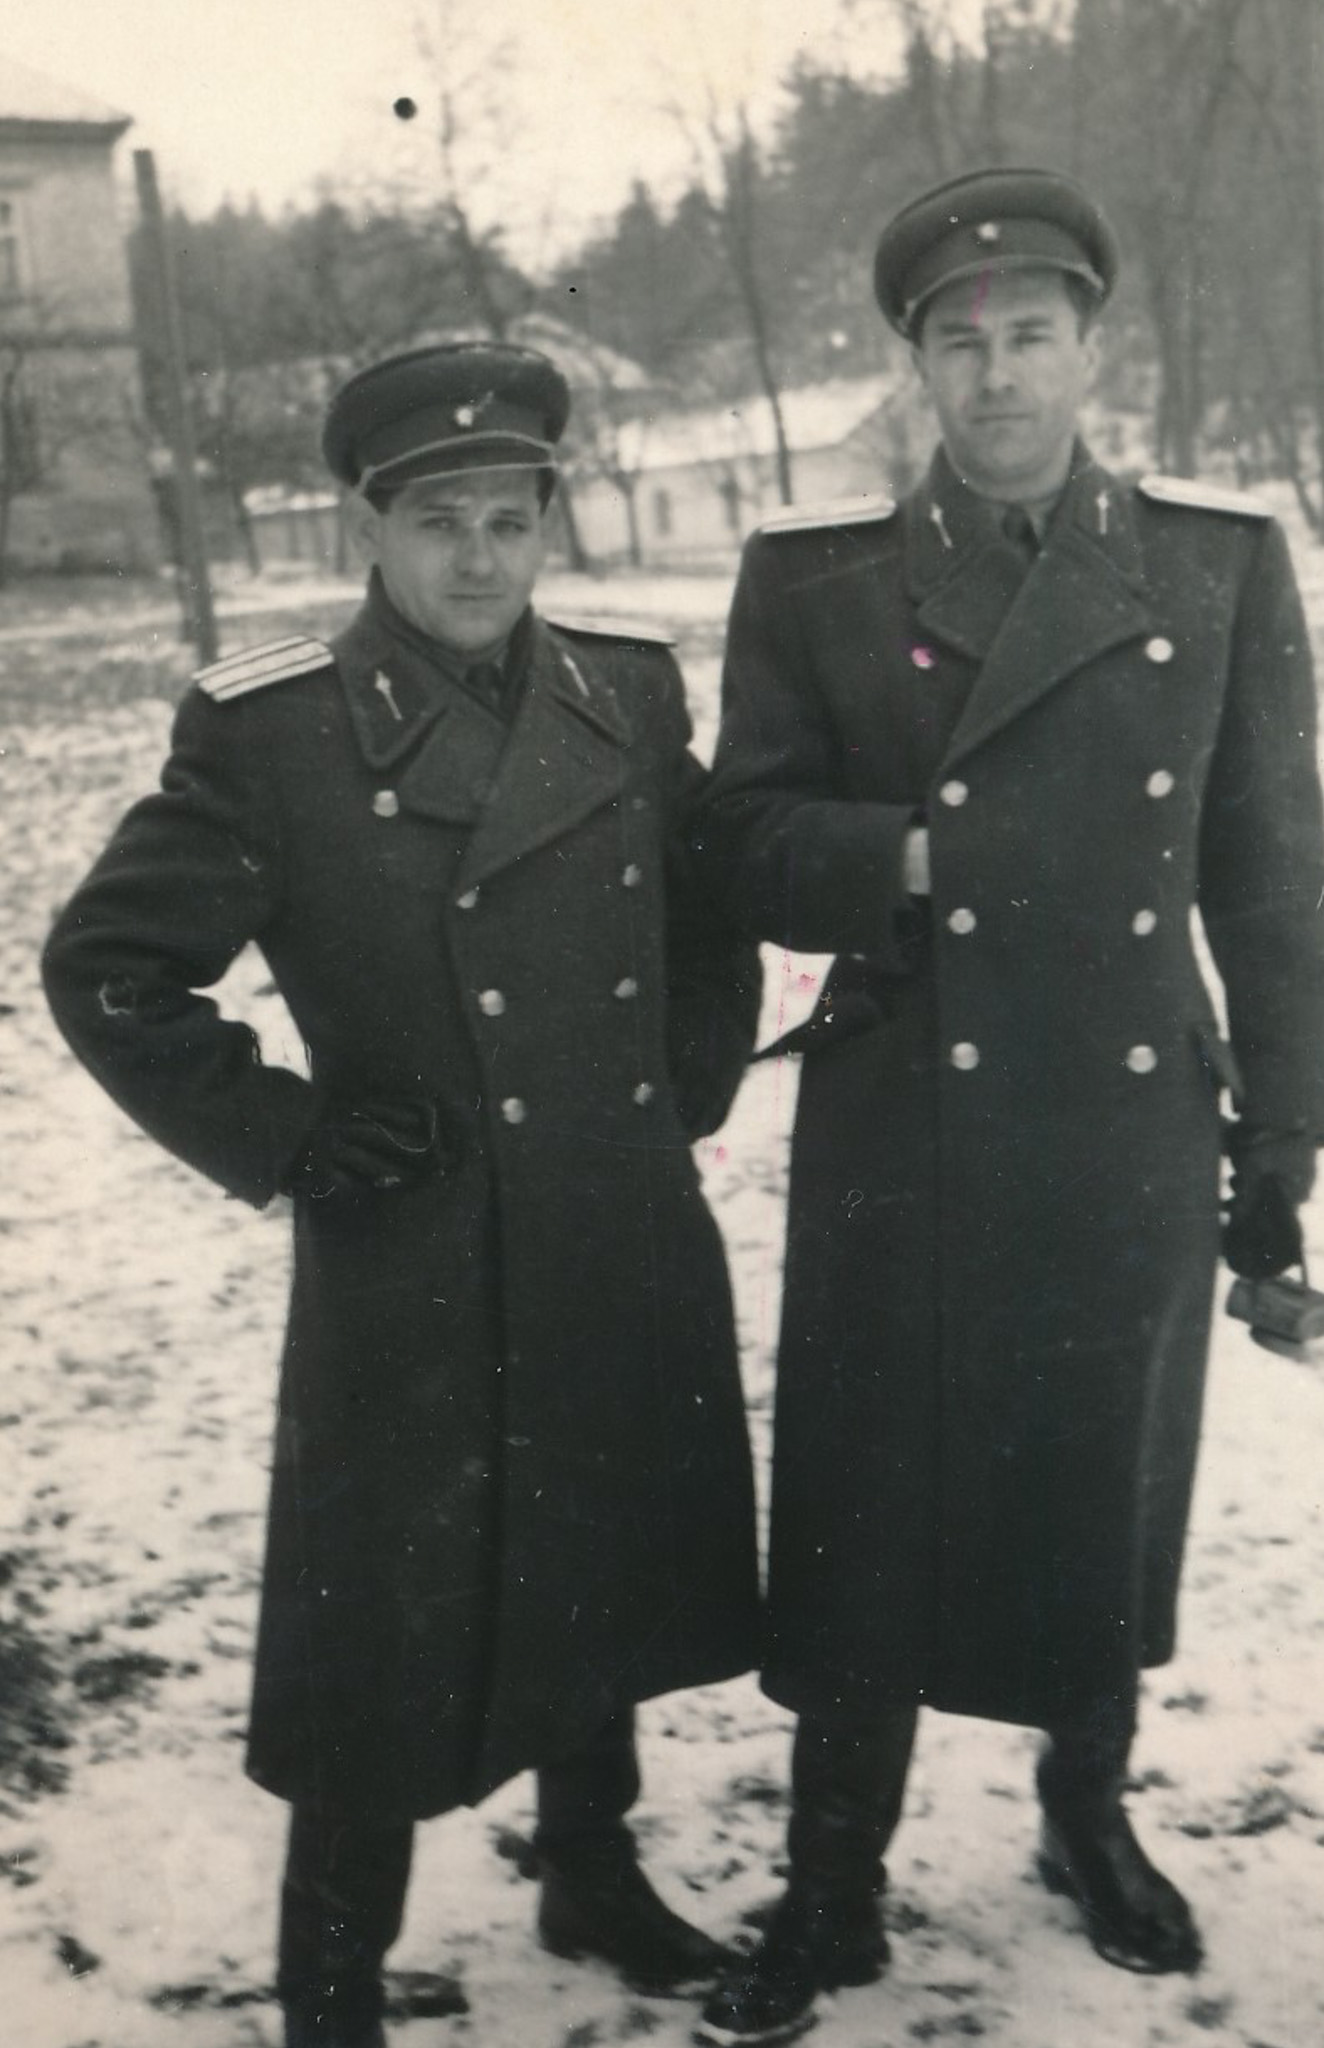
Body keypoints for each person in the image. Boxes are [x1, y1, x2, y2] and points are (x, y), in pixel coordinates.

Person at [41, 340, 762, 2048]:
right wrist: (288, 1135)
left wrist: (677, 1093)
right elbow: (108, 968)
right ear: (369, 528)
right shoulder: (278, 731)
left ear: (546, 524)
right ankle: (331, 1976)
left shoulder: (624, 693)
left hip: (613, 1217)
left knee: (601, 1556)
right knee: (378, 1624)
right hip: (416, 1254)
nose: (477, 559)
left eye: (509, 519)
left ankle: (589, 1870)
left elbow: (707, 908)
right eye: (439, 521)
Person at [693, 166, 1324, 2047]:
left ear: (1090, 349)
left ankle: (1087, 1813)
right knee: (870, 1495)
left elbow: (1272, 882)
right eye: (959, 343)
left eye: (1031, 335)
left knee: (1102, 1479)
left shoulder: (1216, 563)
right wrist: (905, 857)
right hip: (908, 1109)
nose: (997, 375)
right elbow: (738, 838)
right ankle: (834, 1867)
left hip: (1128, 1116)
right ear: (917, 365)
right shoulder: (815, 576)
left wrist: (1281, 1153)